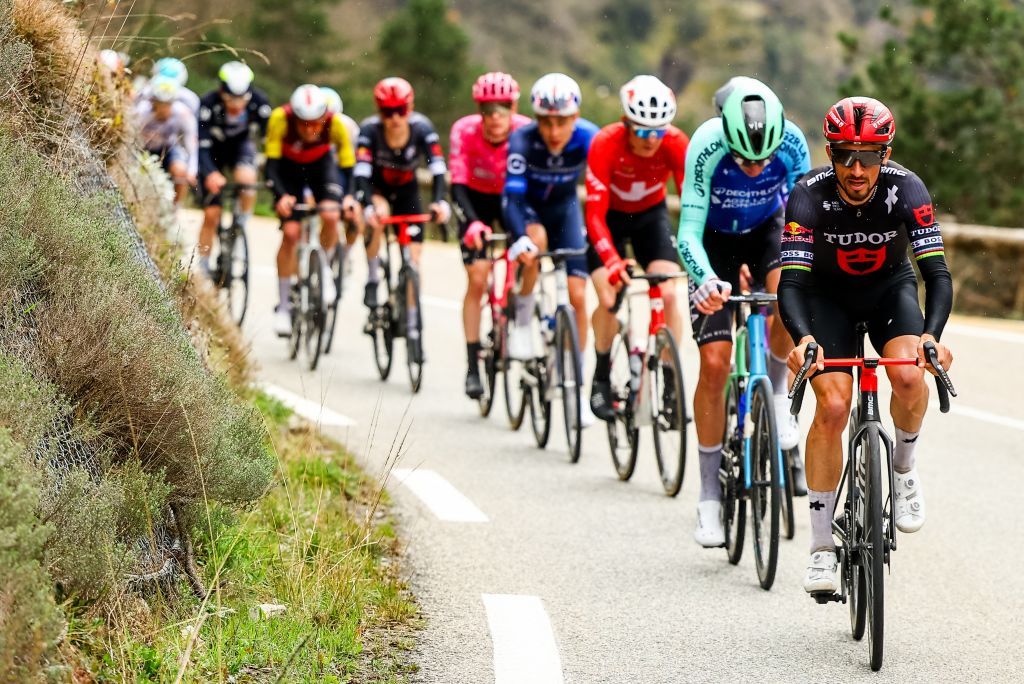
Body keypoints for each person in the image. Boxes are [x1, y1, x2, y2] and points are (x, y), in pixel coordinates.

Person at [778, 97, 953, 593]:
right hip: (824, 298)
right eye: (845, 156)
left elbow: (936, 274)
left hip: (888, 291)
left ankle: (903, 466)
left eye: (870, 156)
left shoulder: (907, 188)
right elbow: (790, 283)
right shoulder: (808, 194)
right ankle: (819, 549)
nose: (856, 169)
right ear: (829, 152)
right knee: (832, 405)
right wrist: (803, 339)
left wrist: (930, 338)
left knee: (907, 373)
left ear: (886, 154)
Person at [676, 76, 811, 547]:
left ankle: (776, 392)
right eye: (743, 158)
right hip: (713, 242)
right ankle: (709, 497)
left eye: (763, 159)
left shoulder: (793, 143)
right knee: (714, 364)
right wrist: (706, 278)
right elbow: (687, 232)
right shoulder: (706, 145)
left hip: (767, 231)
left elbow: (805, 219)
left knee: (791, 296)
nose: (754, 168)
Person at [585, 75, 689, 421]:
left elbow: (691, 206)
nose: (651, 139)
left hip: (650, 217)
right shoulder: (605, 143)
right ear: (626, 124)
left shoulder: (675, 143)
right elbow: (594, 215)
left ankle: (670, 380)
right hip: (609, 219)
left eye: (659, 131)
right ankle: (601, 375)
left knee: (670, 293)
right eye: (643, 131)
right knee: (609, 295)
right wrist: (613, 261)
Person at [503, 72, 599, 426]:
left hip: (565, 210)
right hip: (527, 209)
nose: (554, 131)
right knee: (537, 244)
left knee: (578, 293)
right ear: (536, 119)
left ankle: (577, 384)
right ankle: (524, 323)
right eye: (546, 122)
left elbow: (602, 190)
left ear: (575, 118)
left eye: (562, 122)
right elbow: (512, 197)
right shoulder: (522, 140)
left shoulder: (589, 137)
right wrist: (520, 237)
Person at [353, 77, 450, 364]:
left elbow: (439, 171)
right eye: (387, 111)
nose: (395, 118)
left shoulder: (423, 129)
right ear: (379, 111)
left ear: (410, 108)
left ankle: (412, 325)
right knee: (377, 217)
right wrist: (368, 205)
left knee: (413, 263)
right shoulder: (369, 131)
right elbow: (360, 174)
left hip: (408, 192)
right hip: (378, 189)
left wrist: (440, 201)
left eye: (400, 110)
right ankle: (372, 277)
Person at [450, 72, 531, 399]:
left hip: (512, 199)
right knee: (479, 279)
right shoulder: (464, 130)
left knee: (526, 260)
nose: (495, 116)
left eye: (503, 107)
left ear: (514, 106)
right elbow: (457, 181)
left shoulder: (525, 130)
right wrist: (470, 222)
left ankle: (519, 312)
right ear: (478, 109)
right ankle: (473, 365)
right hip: (476, 200)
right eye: (487, 108)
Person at [264, 84, 355, 336]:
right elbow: (270, 166)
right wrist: (280, 196)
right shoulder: (280, 119)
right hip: (288, 171)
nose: (309, 129)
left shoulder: (336, 125)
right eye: (303, 123)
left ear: (325, 117)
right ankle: (283, 306)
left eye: (315, 123)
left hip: (320, 168)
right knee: (291, 233)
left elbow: (348, 167)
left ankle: (324, 269)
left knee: (330, 214)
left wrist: (348, 197)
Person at [195, 61, 273, 275]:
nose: (236, 105)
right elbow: (200, 145)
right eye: (230, 99)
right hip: (212, 150)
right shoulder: (207, 104)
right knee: (212, 213)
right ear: (221, 91)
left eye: (242, 100)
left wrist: (269, 167)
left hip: (241, 146)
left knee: (247, 181)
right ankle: (202, 266)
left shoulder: (260, 102)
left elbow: (271, 139)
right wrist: (210, 172)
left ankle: (240, 224)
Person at [321, 86, 364, 277]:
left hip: (342, 170)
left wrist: (351, 196)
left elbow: (355, 165)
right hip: (318, 170)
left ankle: (346, 254)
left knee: (354, 214)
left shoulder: (349, 127)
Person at [135, 75, 198, 205]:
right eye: (160, 104)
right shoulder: (141, 113)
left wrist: (191, 171)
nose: (164, 109)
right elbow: (129, 140)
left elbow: (191, 146)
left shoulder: (183, 114)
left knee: (180, 170)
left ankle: (175, 209)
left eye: (168, 104)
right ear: (152, 102)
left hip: (168, 148)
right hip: (142, 148)